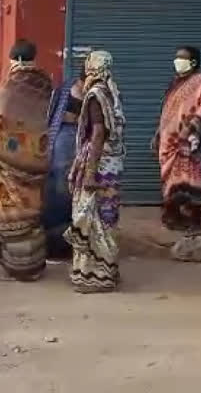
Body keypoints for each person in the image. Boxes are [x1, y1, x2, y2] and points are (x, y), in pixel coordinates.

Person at [0, 40, 53, 281]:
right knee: (32, 212)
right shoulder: (46, 84)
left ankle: (18, 268)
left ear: (13, 60)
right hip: (38, 158)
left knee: (13, 210)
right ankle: (35, 266)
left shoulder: (6, 89)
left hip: (9, 162)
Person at [64, 50, 125, 294]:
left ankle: (93, 275)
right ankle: (108, 270)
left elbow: (98, 133)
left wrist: (89, 174)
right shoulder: (112, 92)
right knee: (106, 217)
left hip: (97, 164)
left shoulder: (95, 95)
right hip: (113, 165)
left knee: (91, 216)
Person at [153, 46, 201, 233]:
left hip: (187, 143)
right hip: (168, 142)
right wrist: (158, 132)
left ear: (193, 62)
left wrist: (190, 128)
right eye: (176, 57)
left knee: (192, 182)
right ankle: (174, 218)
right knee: (171, 183)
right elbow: (167, 110)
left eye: (182, 58)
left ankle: (195, 222)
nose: (177, 61)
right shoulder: (175, 83)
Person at [41, 69, 85, 259]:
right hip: (63, 141)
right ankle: (56, 246)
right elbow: (51, 112)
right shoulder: (67, 88)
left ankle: (67, 243)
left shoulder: (100, 91)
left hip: (78, 142)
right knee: (61, 192)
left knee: (70, 192)